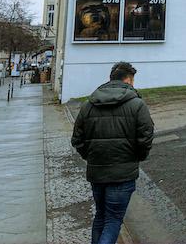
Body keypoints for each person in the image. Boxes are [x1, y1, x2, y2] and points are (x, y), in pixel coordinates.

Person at [71, 62, 154, 244]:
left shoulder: (88, 106)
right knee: (113, 220)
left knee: (100, 217)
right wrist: (136, 157)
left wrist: (92, 156)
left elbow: (77, 139)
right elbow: (146, 136)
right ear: (129, 80)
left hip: (97, 172)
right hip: (122, 174)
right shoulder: (137, 104)